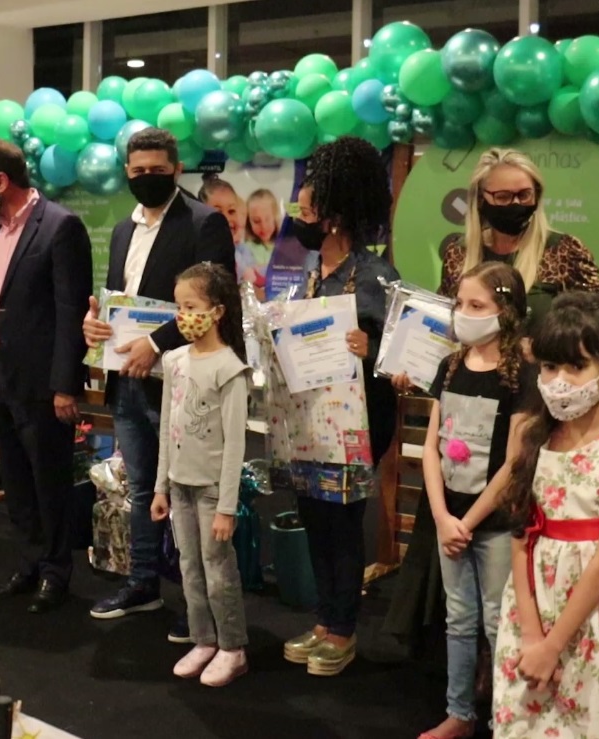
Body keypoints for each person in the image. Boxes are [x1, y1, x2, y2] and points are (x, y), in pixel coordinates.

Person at [82, 128, 235, 639]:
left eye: (157, 169)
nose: (147, 178)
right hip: (128, 381)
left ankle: (206, 614)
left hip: (183, 383)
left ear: (175, 167)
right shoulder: (125, 230)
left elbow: (218, 301)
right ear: (127, 172)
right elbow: (121, 300)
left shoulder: (204, 221)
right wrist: (97, 324)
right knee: (144, 488)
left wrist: (157, 343)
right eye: (138, 171)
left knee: (192, 495)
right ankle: (143, 584)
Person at [493, 291, 599, 737]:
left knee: (598, 716)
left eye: (577, 366)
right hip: (534, 600)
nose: (560, 381)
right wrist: (532, 634)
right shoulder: (531, 434)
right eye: (550, 367)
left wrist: (554, 644)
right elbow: (519, 532)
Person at [279, 136, 399, 677]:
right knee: (316, 522)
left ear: (332, 217)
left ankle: (345, 628)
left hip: (356, 426)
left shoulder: (376, 277)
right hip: (307, 424)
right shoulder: (308, 279)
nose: (298, 219)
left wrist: (371, 349)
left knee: (345, 526)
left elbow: (403, 357)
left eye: (305, 210)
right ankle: (324, 619)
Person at [0, 138, 92, 614]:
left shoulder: (60, 226)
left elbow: (69, 309)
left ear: (2, 181)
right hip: (2, 371)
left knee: (49, 479)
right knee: (17, 479)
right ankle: (28, 563)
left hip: (43, 379)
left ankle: (57, 571)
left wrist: (65, 383)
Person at [417, 261, 534, 739]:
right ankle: (460, 712)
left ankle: (506, 718)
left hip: (495, 524)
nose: (464, 314)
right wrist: (444, 517)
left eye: (477, 306)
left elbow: (514, 462)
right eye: (460, 304)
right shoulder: (448, 366)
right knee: (459, 619)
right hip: (451, 521)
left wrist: (469, 520)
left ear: (504, 311)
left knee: (497, 622)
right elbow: (430, 446)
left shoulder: (522, 374)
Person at [150, 262, 251, 687]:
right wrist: (161, 486)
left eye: (191, 306)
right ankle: (203, 638)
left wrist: (227, 506)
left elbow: (234, 447)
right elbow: (166, 429)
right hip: (180, 486)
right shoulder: (174, 361)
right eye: (178, 307)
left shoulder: (230, 369)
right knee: (189, 565)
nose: (182, 315)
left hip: (211, 490)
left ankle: (233, 647)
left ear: (217, 312)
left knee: (217, 568)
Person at [437, 148, 599, 338]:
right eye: (503, 197)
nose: (515, 204)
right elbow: (444, 322)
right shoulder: (459, 253)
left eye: (524, 195)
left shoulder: (566, 251)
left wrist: (539, 350)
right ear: (481, 200)